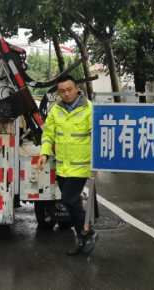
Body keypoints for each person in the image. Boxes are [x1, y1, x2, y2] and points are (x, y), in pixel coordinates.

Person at [37, 75, 97, 256]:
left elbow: (98, 136)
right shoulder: (56, 110)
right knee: (73, 202)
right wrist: (44, 153)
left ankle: (87, 232)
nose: (66, 94)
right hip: (62, 166)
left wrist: (98, 162)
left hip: (81, 166)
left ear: (77, 88)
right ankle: (82, 236)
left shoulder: (89, 109)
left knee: (69, 200)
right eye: (62, 91)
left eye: (69, 89)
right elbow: (48, 134)